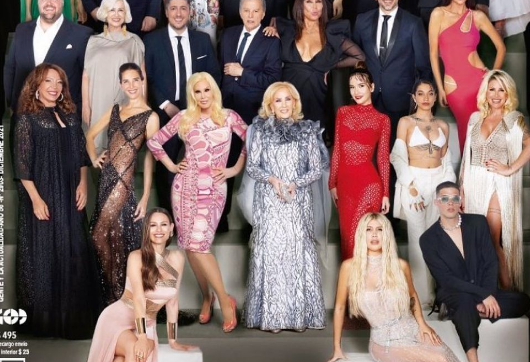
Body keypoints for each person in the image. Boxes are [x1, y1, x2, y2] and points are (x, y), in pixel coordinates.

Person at [326, 213, 530, 362]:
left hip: (412, 330)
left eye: (379, 229)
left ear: (387, 235)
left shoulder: (399, 265)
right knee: (441, 360)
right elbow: (340, 307)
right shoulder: (350, 268)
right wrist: (337, 347)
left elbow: (413, 297)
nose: (374, 235)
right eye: (369, 230)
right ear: (361, 235)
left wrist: (422, 324)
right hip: (385, 343)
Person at [17, 208, 198, 362]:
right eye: (153, 225)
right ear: (146, 230)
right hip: (120, 319)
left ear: (172, 229)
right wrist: (142, 337)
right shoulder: (137, 257)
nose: (159, 230)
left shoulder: (177, 258)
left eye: (164, 224)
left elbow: (173, 301)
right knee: (135, 349)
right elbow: (140, 300)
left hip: (146, 326)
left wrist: (173, 340)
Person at [147, 73, 247, 332]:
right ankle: (206, 296)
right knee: (190, 247)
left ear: (214, 91)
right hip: (184, 188)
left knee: (200, 245)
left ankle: (224, 300)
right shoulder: (184, 117)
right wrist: (172, 166)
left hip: (214, 188)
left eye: (206, 90)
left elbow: (252, 141)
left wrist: (234, 169)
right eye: (197, 92)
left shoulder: (229, 117)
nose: (203, 96)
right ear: (192, 95)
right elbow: (154, 141)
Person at [14, 64, 101, 339]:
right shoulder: (27, 119)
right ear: (36, 86)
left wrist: (83, 184)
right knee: (46, 252)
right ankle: (47, 321)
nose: (54, 87)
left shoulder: (71, 117)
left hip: (71, 193)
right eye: (48, 81)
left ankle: (72, 319)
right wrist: (36, 200)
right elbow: (22, 166)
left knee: (74, 250)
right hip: (44, 194)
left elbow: (81, 156)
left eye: (59, 82)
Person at [420, 183, 530, 362]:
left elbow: (490, 262)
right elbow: (446, 279)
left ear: (460, 201)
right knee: (463, 303)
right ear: (437, 202)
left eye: (455, 198)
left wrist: (488, 294)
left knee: (522, 300)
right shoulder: (428, 239)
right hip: (454, 292)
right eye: (445, 198)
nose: (450, 203)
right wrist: (483, 296)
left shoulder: (477, 222)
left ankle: (474, 310)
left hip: (483, 289)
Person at [244, 82, 327, 332]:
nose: (283, 105)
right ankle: (273, 317)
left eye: (288, 99)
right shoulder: (260, 130)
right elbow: (252, 167)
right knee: (272, 253)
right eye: (278, 100)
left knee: (296, 252)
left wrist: (294, 184)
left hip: (298, 201)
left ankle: (299, 317)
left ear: (295, 102)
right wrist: (273, 180)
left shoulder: (307, 130)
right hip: (269, 199)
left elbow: (316, 169)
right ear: (270, 105)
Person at [87, 63, 159, 305]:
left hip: (124, 183)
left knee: (98, 235)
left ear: (142, 80)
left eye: (135, 80)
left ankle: (114, 293)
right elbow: (89, 136)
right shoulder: (115, 110)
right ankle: (118, 296)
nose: (131, 85)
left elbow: (150, 157)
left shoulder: (151, 117)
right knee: (114, 237)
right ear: (121, 84)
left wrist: (145, 195)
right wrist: (94, 158)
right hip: (105, 180)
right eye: (126, 81)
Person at [144, 0, 220, 211]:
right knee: (166, 169)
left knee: (198, 168)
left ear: (190, 12)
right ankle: (168, 217)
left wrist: (200, 107)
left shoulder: (202, 41)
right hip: (164, 113)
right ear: (166, 12)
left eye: (183, 9)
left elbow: (213, 76)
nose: (178, 13)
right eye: (174, 9)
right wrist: (165, 105)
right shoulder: (152, 41)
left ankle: (195, 215)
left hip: (197, 113)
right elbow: (148, 77)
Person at [460, 70, 530, 290]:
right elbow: (467, 157)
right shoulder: (475, 118)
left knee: (491, 239)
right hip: (474, 182)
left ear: (508, 93)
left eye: (502, 90)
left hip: (498, 184)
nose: (497, 94)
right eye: (492, 89)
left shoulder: (514, 119)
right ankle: (484, 292)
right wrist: (461, 188)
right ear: (486, 92)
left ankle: (509, 293)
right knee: (476, 242)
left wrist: (510, 168)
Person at [390, 80, 455, 306]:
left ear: (435, 97)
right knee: (418, 238)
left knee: (438, 239)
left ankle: (441, 295)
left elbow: (446, 161)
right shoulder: (406, 122)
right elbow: (397, 157)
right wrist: (411, 186)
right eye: (420, 93)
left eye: (430, 93)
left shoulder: (443, 125)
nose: (425, 98)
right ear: (414, 97)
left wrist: (449, 191)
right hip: (414, 182)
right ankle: (421, 297)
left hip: (438, 182)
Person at [265, 0, 365, 129]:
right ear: (300, 5)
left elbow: (359, 56)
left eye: (318, 1)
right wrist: (271, 32)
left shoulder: (331, 33)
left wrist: (332, 66)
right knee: (285, 135)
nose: (315, 6)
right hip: (287, 96)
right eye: (309, 1)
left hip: (316, 94)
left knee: (314, 135)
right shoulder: (286, 29)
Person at [428, 0, 505, 152]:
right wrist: (440, 88)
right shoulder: (438, 14)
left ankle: (483, 169)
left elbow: (501, 47)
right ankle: (468, 169)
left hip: (480, 83)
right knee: (467, 131)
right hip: (454, 86)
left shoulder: (477, 16)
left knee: (484, 132)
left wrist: (492, 76)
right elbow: (433, 53)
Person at [352, 0, 431, 139]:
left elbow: (423, 66)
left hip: (400, 100)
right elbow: (355, 60)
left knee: (396, 149)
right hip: (369, 99)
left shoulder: (413, 23)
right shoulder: (361, 21)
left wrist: (417, 100)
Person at [5, 0, 92, 115]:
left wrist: (78, 109)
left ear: (62, 2)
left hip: (62, 116)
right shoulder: (21, 30)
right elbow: (10, 68)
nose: (49, 3)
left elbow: (87, 76)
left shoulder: (81, 34)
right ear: (38, 2)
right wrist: (12, 102)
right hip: (23, 113)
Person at [329, 69, 390, 260]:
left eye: (361, 86)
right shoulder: (343, 112)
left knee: (365, 241)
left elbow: (382, 158)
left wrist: (386, 193)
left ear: (372, 87)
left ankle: (369, 280)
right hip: (345, 186)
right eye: (352, 87)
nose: (356, 91)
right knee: (347, 241)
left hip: (369, 187)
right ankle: (351, 280)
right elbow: (337, 150)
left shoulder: (382, 119)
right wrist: (332, 183)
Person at [82, 0, 145, 153]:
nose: (116, 14)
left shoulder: (134, 41)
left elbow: (141, 78)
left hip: (122, 102)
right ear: (105, 13)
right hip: (96, 102)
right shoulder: (92, 41)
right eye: (112, 10)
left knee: (120, 150)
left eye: (120, 10)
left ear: (126, 13)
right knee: (96, 150)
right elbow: (86, 76)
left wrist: (142, 107)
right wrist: (86, 106)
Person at [220, 0, 282, 125]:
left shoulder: (271, 41)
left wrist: (243, 72)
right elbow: (219, 70)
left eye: (255, 11)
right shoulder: (227, 34)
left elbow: (273, 80)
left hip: (253, 110)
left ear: (263, 14)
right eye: (246, 10)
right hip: (224, 108)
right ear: (240, 12)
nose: (250, 15)